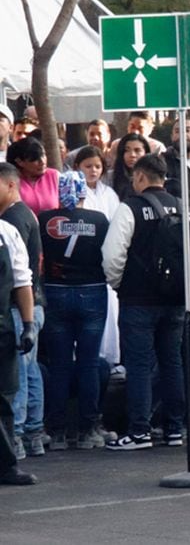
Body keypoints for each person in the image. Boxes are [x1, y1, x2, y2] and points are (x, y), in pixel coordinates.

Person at [101, 155, 190, 450]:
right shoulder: (182, 207)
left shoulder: (131, 208)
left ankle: (139, 430)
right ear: (163, 177)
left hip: (138, 299)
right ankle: (174, 429)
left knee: (139, 365)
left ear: (140, 177)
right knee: (172, 362)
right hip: (176, 299)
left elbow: (112, 255)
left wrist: (119, 285)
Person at [39, 172, 110, 451]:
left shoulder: (45, 219)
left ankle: (56, 431)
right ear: (83, 192)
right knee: (89, 362)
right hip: (92, 289)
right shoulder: (99, 220)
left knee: (59, 364)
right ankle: (88, 429)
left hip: (56, 290)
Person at [0, 163, 37, 484]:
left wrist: (28, 324)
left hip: (2, 326)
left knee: (6, 397)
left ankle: (7, 465)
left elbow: (23, 282)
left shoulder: (7, 232)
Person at [9, 137, 59, 218]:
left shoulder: (55, 176)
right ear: (20, 162)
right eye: (35, 159)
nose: (42, 161)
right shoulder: (12, 182)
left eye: (43, 155)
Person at [73, 146, 120, 220]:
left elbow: (116, 218)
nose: (93, 170)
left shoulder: (109, 193)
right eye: (88, 166)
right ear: (77, 167)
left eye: (98, 167)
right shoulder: (72, 191)